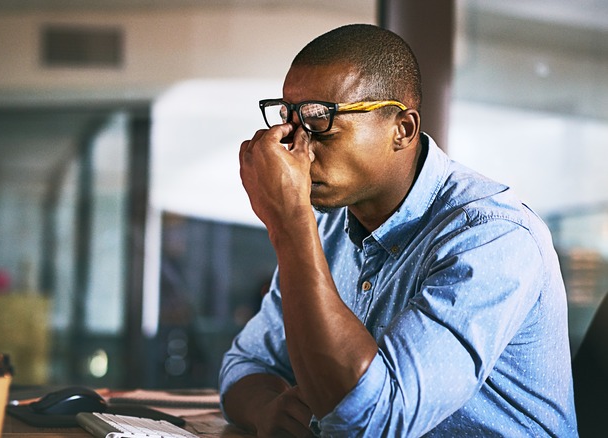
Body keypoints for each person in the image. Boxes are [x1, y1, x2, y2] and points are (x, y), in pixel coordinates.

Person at [219, 24, 577, 437]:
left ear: (402, 129)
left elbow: (375, 420)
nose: (295, 149)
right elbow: (245, 364)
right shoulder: (330, 224)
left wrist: (289, 223)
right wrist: (269, 410)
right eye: (289, 120)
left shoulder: (494, 237)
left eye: (320, 122)